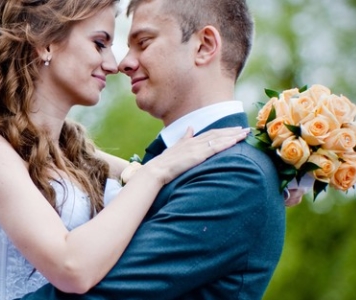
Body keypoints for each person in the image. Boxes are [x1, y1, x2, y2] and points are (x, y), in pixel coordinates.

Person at [0, 0, 250, 299]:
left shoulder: (76, 156)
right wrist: (156, 171)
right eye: (99, 43)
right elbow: (72, 269)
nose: (113, 63)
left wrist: (282, 173)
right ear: (46, 43)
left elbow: (180, 188)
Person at [17, 0, 287, 298]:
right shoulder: (171, 162)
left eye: (143, 43)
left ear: (205, 46)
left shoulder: (237, 176)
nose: (122, 63)